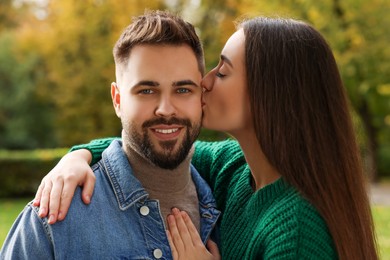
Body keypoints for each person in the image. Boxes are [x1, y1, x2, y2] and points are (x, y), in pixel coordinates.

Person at [32, 17, 377, 260]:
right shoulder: (235, 167)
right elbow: (148, 144)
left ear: (267, 95)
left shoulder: (296, 230)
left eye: (222, 71)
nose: (205, 81)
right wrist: (77, 157)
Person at [0, 10, 221, 260]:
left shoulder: (229, 205)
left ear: (202, 96)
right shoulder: (54, 218)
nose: (166, 109)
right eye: (147, 91)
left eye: (183, 89)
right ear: (117, 100)